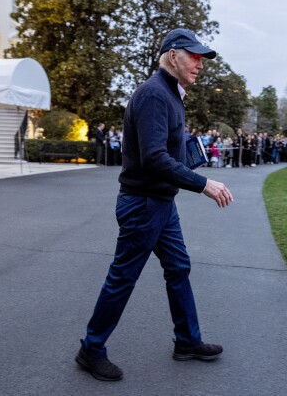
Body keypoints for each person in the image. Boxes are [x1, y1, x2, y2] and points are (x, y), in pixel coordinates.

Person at [75, 28, 233, 382]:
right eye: (194, 56)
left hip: (160, 203)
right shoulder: (153, 95)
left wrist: (188, 155)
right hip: (144, 205)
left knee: (178, 267)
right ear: (173, 55)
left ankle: (187, 342)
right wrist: (204, 184)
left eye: (201, 58)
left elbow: (165, 151)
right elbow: (154, 159)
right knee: (123, 278)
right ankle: (91, 349)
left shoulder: (170, 94)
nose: (200, 64)